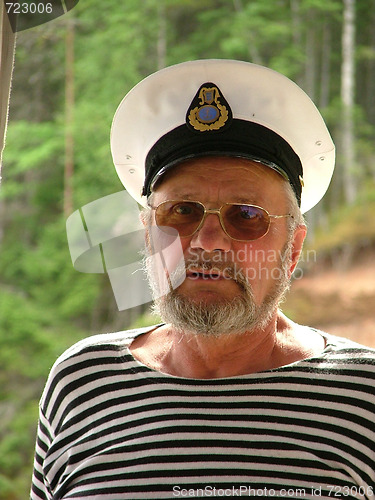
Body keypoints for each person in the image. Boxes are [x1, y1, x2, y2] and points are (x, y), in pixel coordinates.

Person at [31, 60, 375, 499]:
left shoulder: (364, 394)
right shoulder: (81, 381)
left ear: (292, 248)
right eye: (182, 211)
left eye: (246, 216)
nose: (206, 241)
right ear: (147, 233)